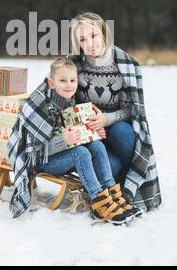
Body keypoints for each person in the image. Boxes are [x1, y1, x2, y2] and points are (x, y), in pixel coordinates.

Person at [7, 57, 136, 224]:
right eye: (63, 80)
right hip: (41, 161)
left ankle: (111, 192)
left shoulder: (69, 102)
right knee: (80, 153)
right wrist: (63, 140)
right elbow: (34, 151)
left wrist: (94, 133)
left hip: (61, 155)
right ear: (51, 83)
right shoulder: (41, 106)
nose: (69, 85)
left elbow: (79, 134)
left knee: (95, 145)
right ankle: (98, 201)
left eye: (73, 80)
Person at [68, 11, 162, 213]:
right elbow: (64, 102)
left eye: (93, 35)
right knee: (108, 167)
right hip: (93, 137)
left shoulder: (126, 65)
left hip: (117, 131)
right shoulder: (74, 67)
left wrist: (106, 119)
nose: (90, 43)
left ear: (103, 32)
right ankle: (114, 185)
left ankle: (131, 185)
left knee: (122, 131)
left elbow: (132, 110)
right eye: (83, 39)